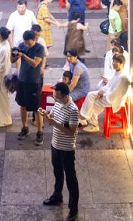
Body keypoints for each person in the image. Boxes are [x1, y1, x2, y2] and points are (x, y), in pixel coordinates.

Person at [39, 82, 80, 221]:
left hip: (67, 149)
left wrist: (53, 123)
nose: (53, 95)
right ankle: (57, 196)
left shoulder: (73, 110)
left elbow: (70, 131)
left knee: (70, 179)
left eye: (55, 93)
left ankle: (73, 210)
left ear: (62, 94)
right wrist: (46, 114)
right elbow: (52, 115)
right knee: (57, 173)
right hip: (55, 145)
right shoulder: (57, 103)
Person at [12, 30, 46, 146]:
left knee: (37, 108)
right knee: (22, 105)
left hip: (34, 82)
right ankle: (24, 127)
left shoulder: (39, 48)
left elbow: (35, 63)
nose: (26, 44)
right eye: (25, 42)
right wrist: (14, 54)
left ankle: (40, 132)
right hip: (22, 80)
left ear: (34, 39)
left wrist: (24, 55)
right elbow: (12, 60)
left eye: (28, 42)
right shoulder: (21, 45)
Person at [79, 54, 130, 133]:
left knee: (91, 103)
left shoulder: (122, 77)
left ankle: (89, 121)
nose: (113, 63)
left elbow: (115, 94)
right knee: (90, 95)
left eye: (116, 61)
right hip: (108, 95)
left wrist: (103, 94)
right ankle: (86, 118)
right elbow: (109, 85)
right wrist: (102, 91)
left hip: (113, 100)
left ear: (121, 63)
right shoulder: (117, 73)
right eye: (113, 61)